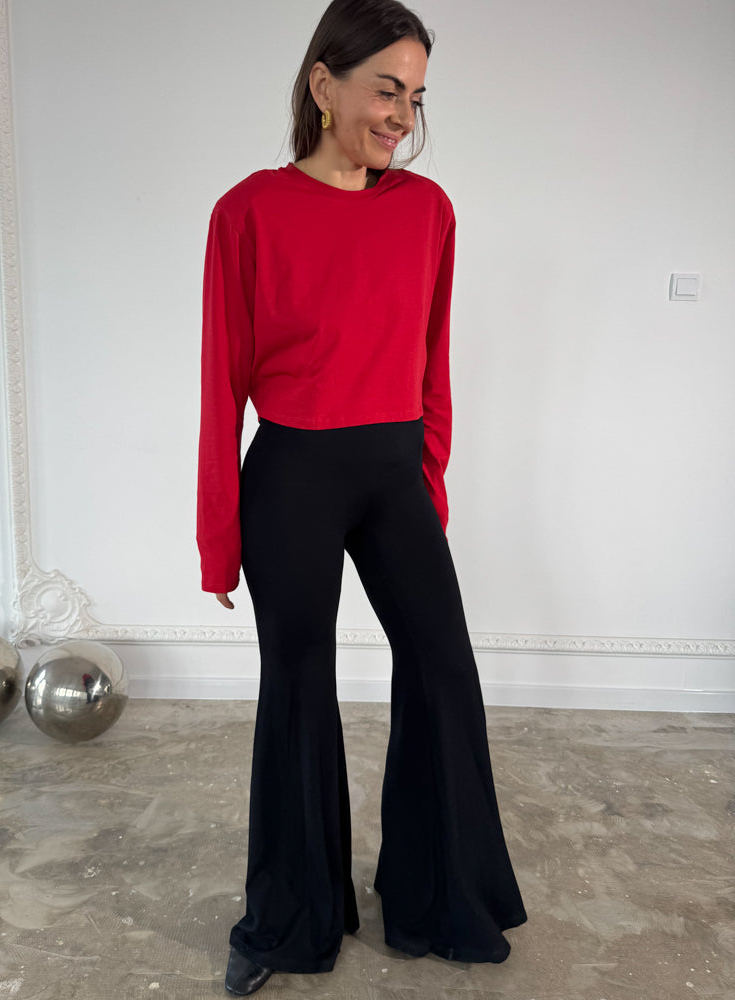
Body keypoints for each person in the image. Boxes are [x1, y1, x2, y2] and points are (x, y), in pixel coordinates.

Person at [197, 0, 527, 994]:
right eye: (386, 89)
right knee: (298, 690)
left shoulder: (427, 211)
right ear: (323, 84)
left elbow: (433, 363)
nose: (401, 115)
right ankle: (289, 918)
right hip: (291, 475)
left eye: (415, 97)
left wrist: (427, 480)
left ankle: (436, 895)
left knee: (442, 669)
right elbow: (219, 385)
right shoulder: (247, 211)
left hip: (391, 474)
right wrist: (218, 538)